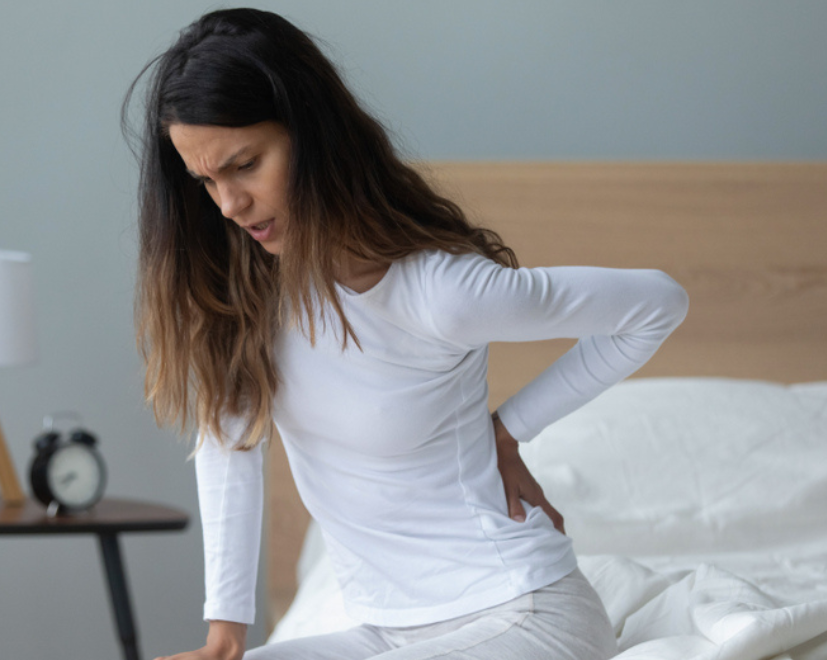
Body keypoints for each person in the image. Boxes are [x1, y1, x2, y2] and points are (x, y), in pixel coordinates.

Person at [125, 8, 688, 660]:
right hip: (384, 630)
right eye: (206, 181)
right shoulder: (249, 293)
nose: (228, 205)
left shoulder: (439, 293)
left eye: (245, 165)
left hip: (521, 615)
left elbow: (657, 304)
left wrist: (507, 430)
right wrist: (225, 639)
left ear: (311, 134)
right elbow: (230, 445)